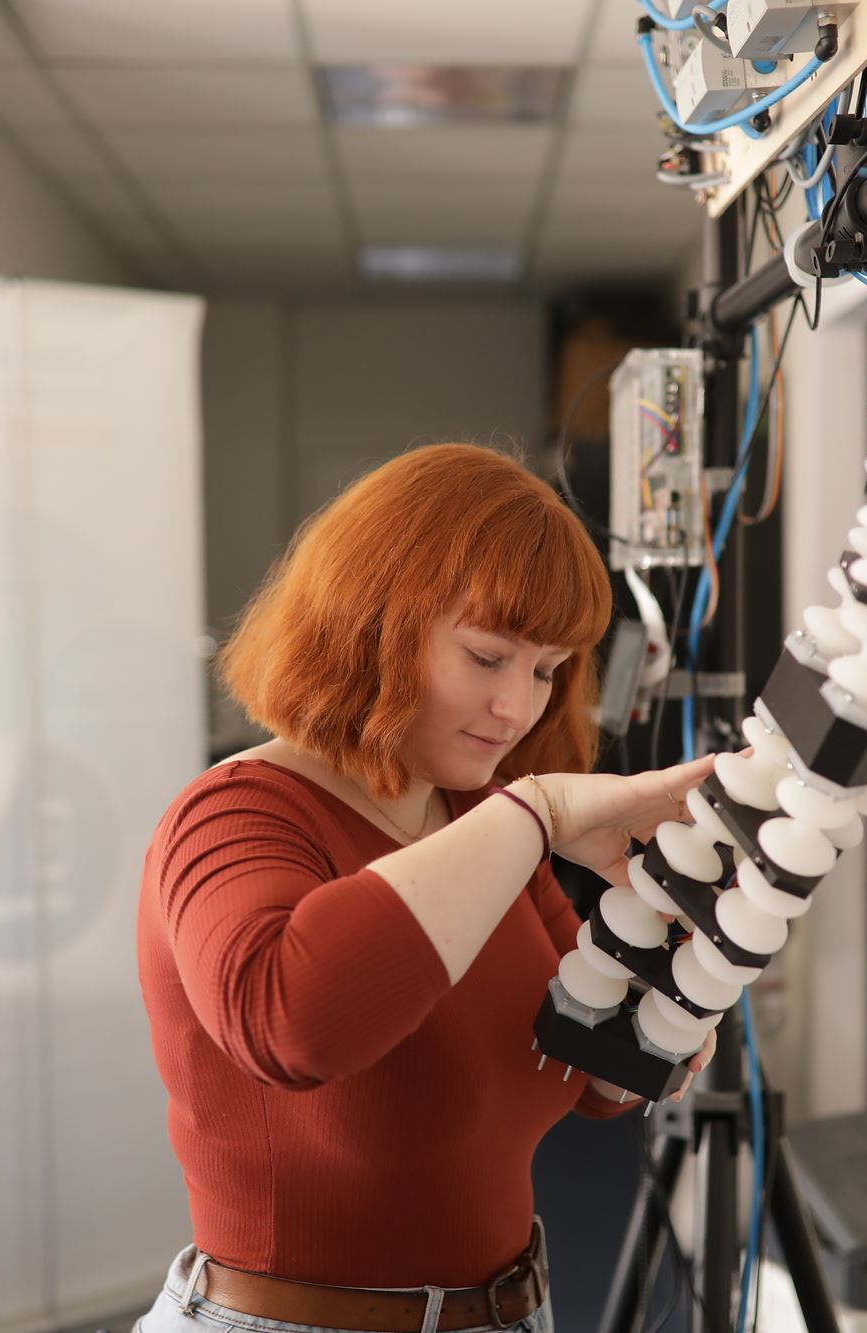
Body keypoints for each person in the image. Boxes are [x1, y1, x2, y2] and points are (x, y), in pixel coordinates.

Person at [133, 444, 720, 1333]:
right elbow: (291, 1021)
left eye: (546, 670)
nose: (518, 709)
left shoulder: (475, 818)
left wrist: (679, 985)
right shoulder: (233, 815)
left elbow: (593, 1079)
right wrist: (538, 810)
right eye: (489, 657)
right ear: (373, 622)